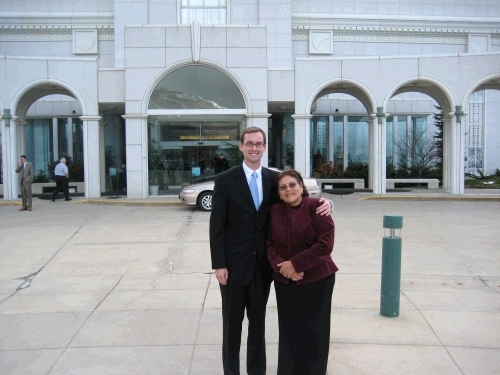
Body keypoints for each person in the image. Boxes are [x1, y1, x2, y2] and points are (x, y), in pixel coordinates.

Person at [209, 127, 333, 375]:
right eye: (249, 143)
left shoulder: (273, 179)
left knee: (258, 327)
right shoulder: (225, 180)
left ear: (265, 147)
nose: (254, 148)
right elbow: (217, 226)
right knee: (231, 328)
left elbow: (297, 199)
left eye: (259, 143)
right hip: (233, 268)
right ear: (241, 147)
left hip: (264, 268)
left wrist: (327, 203)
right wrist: (219, 264)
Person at [266, 169, 338, 375]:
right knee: (290, 331)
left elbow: (325, 244)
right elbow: (269, 244)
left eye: (292, 185)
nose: (289, 189)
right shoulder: (275, 211)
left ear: (301, 186)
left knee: (315, 331)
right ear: (278, 193)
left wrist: (296, 264)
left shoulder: (317, 207)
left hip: (317, 279)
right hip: (285, 281)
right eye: (283, 187)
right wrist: (284, 267)